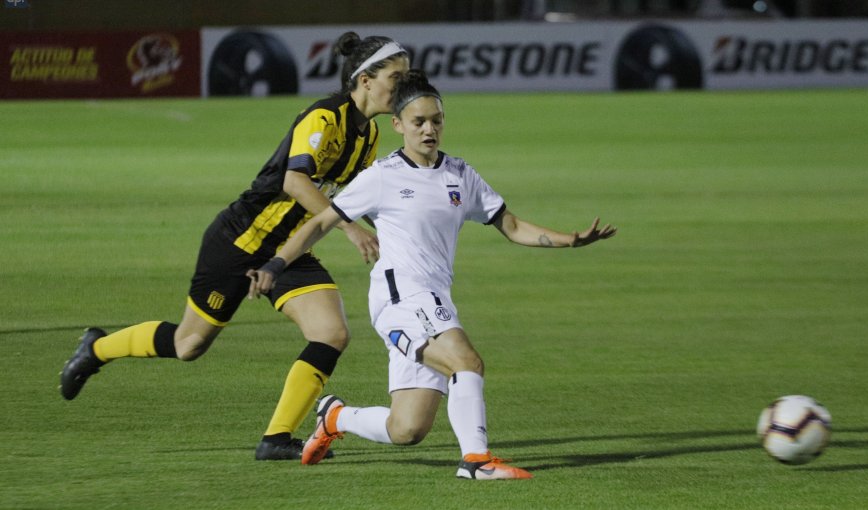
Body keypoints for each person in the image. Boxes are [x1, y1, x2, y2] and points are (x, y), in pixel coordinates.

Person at [246, 70, 617, 479]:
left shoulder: (460, 175)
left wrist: (570, 240)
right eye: (419, 122)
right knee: (466, 361)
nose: (429, 129)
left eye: (436, 120)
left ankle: (336, 417)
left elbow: (510, 226)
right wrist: (276, 264)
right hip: (401, 298)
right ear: (398, 125)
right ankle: (476, 462)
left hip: (434, 298)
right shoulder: (382, 176)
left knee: (407, 428)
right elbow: (319, 224)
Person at [58, 32, 410, 461]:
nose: (404, 86)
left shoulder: (369, 134)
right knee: (190, 345)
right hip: (241, 239)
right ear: (366, 79)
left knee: (331, 333)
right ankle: (95, 349)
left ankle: (276, 438)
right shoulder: (325, 117)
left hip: (288, 249)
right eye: (397, 76)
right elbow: (294, 181)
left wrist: (398, 225)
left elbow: (357, 192)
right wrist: (351, 229)